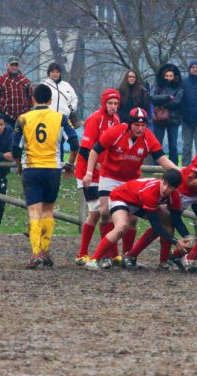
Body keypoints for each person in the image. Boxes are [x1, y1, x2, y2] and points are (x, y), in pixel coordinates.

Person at [82, 107, 180, 270]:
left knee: (132, 220)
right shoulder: (116, 132)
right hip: (110, 176)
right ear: (129, 124)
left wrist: (181, 173)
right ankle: (108, 256)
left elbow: (163, 160)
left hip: (131, 179)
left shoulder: (148, 137)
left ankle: (128, 256)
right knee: (105, 214)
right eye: (137, 125)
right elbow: (94, 150)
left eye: (143, 126)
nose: (140, 129)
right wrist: (89, 173)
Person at [12, 84, 79, 268]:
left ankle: (36, 254)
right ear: (50, 101)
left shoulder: (23, 119)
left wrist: (19, 166)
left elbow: (15, 149)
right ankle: (45, 251)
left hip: (31, 169)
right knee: (48, 209)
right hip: (52, 169)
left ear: (33, 99)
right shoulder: (60, 118)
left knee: (34, 210)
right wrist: (70, 164)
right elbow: (75, 143)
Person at [84, 170, 185, 270]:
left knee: (167, 220)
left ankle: (162, 262)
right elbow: (156, 226)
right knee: (122, 226)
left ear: (175, 188)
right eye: (164, 184)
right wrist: (176, 241)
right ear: (161, 180)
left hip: (137, 202)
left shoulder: (174, 196)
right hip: (120, 198)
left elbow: (176, 220)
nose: (165, 189)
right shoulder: (150, 192)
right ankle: (93, 260)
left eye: (170, 187)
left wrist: (188, 237)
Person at [73, 88, 121, 266]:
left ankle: (113, 254)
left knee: (108, 211)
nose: (113, 106)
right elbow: (85, 149)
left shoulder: (116, 120)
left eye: (116, 103)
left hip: (105, 174)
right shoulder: (95, 119)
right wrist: (95, 167)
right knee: (96, 213)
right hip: (89, 172)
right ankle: (83, 253)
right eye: (110, 103)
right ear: (104, 103)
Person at [150, 63, 183, 165]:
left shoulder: (179, 87)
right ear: (163, 76)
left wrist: (162, 104)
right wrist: (168, 97)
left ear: (174, 76)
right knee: (157, 144)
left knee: (173, 145)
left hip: (174, 118)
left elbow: (177, 102)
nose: (169, 78)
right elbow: (152, 97)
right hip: (159, 118)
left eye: (171, 76)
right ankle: (155, 166)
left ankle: (174, 167)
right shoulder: (158, 86)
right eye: (167, 76)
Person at [0, 56, 33, 129]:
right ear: (7, 65)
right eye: (12, 65)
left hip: (22, 117)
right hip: (6, 116)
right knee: (7, 138)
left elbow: (31, 97)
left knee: (21, 138)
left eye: (16, 65)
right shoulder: (1, 80)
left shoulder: (26, 81)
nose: (14, 67)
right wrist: (0, 107)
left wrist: (27, 109)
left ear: (18, 66)